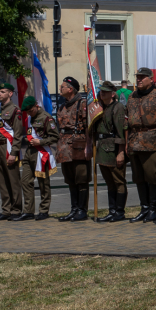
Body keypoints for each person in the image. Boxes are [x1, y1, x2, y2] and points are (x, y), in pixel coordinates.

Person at [126, 67, 156, 222]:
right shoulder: (132, 96)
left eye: (143, 77)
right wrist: (127, 143)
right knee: (139, 177)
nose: (139, 80)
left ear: (151, 79)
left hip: (153, 140)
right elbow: (127, 120)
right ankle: (144, 208)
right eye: (138, 77)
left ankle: (153, 209)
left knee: (153, 176)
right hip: (135, 140)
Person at [14, 96, 58, 220]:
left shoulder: (46, 118)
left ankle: (44, 210)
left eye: (31, 111)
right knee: (25, 181)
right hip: (29, 152)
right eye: (27, 112)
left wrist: (41, 142)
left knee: (43, 183)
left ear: (36, 106)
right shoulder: (29, 119)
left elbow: (55, 137)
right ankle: (28, 211)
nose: (29, 113)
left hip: (41, 153)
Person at [56, 77, 91, 222]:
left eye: (63, 86)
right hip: (64, 147)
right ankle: (74, 209)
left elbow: (88, 126)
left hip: (78, 145)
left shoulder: (82, 104)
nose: (60, 88)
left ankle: (82, 210)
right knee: (70, 180)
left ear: (70, 89)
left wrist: (89, 145)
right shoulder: (62, 106)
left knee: (81, 179)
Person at [93, 80, 128, 222]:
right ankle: (112, 211)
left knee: (118, 181)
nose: (103, 93)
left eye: (106, 91)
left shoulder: (117, 107)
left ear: (113, 94)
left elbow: (120, 132)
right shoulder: (101, 108)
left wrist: (121, 152)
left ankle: (119, 212)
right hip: (102, 148)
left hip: (113, 149)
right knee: (109, 183)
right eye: (102, 91)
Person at [0, 82, 24, 220]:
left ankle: (16, 210)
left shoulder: (15, 110)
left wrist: (14, 153)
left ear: (10, 94)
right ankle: (6, 210)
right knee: (2, 180)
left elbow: (17, 134)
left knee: (13, 179)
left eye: (3, 92)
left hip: (8, 146)